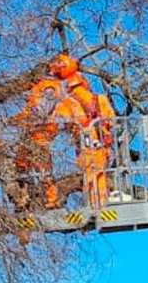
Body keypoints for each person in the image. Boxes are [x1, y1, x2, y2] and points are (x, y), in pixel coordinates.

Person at [14, 54, 117, 208]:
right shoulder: (100, 99)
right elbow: (111, 121)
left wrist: (19, 120)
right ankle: (98, 203)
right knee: (98, 174)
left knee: (88, 175)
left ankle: (95, 205)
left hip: (80, 143)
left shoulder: (65, 100)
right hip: (102, 145)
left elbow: (58, 120)